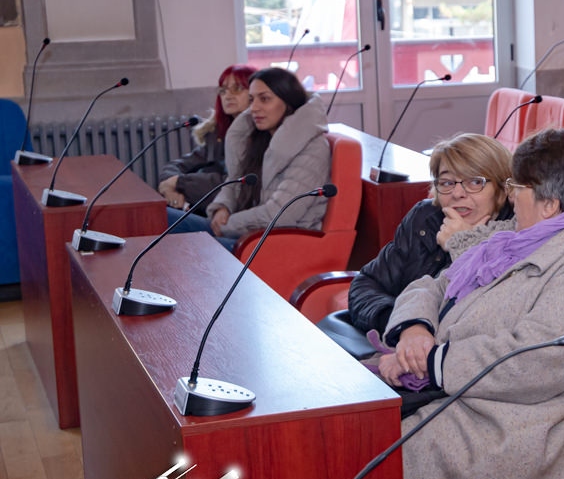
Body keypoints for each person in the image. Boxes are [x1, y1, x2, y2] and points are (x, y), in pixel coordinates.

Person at [380, 127, 564, 479]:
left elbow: (534, 361)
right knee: (343, 420)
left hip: (521, 422)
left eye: (517, 187)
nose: (511, 196)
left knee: (365, 449)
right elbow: (432, 285)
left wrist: (430, 363)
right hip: (468, 393)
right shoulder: (514, 241)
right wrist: (415, 329)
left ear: (549, 205)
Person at [347, 133, 515, 336]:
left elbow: (489, 316)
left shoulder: (517, 233)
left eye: (474, 182)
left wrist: (462, 244)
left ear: (502, 188)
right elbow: (366, 284)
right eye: (447, 183)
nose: (457, 193)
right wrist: (405, 324)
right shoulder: (426, 217)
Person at [184, 67, 330, 251]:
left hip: (278, 243)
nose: (253, 108)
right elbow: (235, 179)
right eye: (252, 99)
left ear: (288, 101)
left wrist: (228, 225)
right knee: (166, 218)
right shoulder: (259, 137)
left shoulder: (313, 148)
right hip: (247, 232)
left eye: (265, 99)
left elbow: (281, 215)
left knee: (187, 248)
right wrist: (223, 207)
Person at [158, 64, 255, 216]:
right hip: (204, 208)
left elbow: (231, 183)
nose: (228, 96)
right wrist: (169, 188)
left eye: (237, 88)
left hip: (231, 214)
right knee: (159, 212)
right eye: (223, 90)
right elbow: (178, 165)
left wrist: (179, 183)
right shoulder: (217, 134)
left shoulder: (257, 135)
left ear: (255, 92)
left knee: (163, 216)